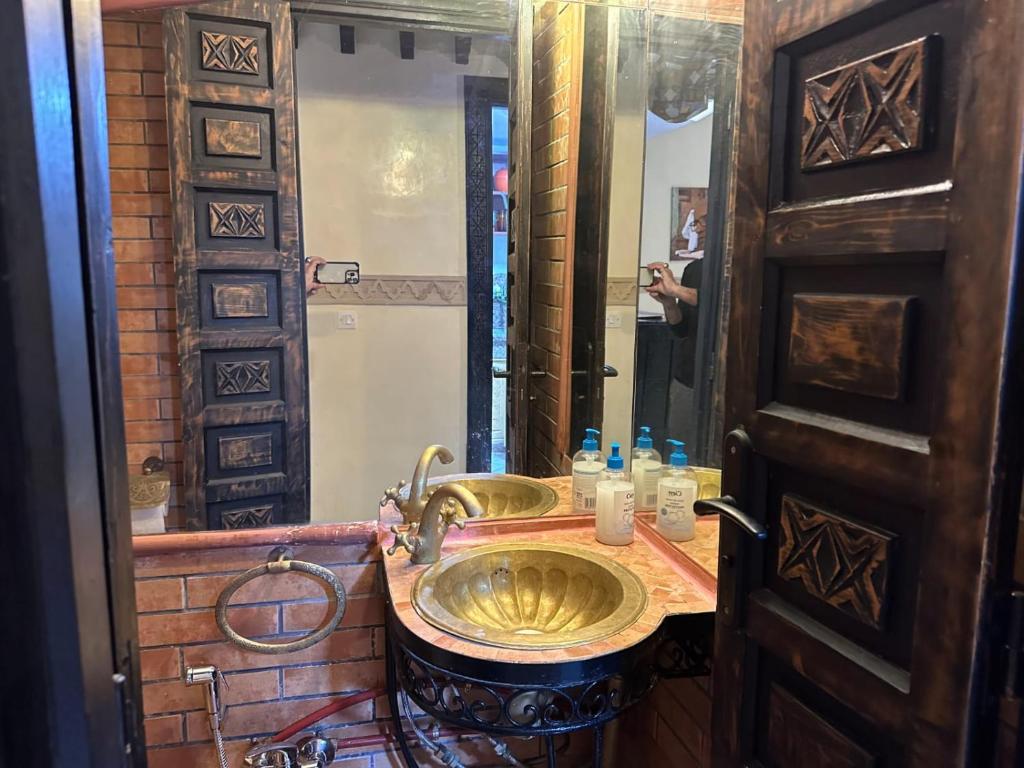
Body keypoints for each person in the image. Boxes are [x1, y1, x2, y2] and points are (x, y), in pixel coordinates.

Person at [645, 250, 703, 445]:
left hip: (721, 382)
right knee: (680, 448)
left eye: (702, 221)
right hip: (687, 377)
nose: (699, 229)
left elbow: (721, 302)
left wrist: (676, 290)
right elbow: (681, 328)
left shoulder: (739, 268)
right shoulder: (694, 269)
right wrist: (669, 302)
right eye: (696, 223)